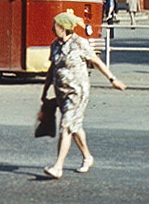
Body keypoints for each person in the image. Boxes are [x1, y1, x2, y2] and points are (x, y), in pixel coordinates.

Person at [41, 12, 126, 179]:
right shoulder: (55, 45)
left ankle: (58, 167)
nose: (52, 29)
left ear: (64, 28)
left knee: (65, 126)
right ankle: (87, 157)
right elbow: (52, 69)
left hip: (78, 92)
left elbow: (96, 61)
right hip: (61, 93)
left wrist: (112, 79)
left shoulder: (80, 43)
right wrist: (45, 91)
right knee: (75, 126)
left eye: (55, 26)